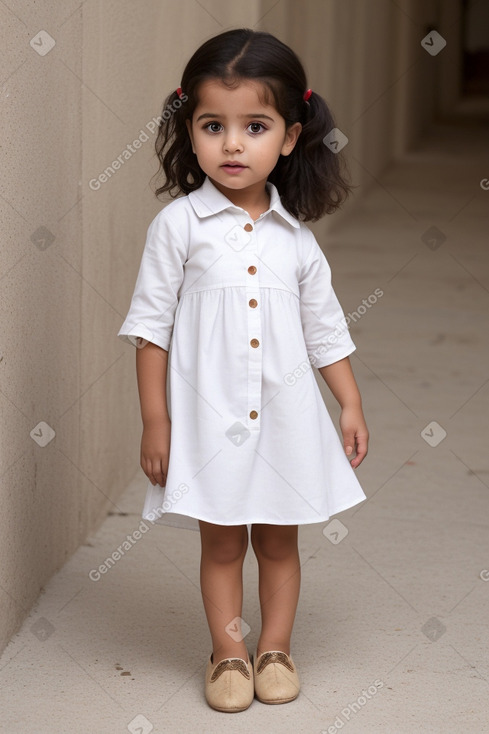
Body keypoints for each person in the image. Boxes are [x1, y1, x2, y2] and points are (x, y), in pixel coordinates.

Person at [118, 28, 369, 713]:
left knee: (280, 542)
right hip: (208, 420)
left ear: (288, 137)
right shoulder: (178, 228)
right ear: (189, 131)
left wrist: (346, 402)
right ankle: (228, 652)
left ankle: (276, 648)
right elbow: (149, 331)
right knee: (223, 542)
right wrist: (155, 421)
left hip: (285, 420)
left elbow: (324, 330)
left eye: (253, 126)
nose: (232, 144)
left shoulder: (297, 240)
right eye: (213, 126)